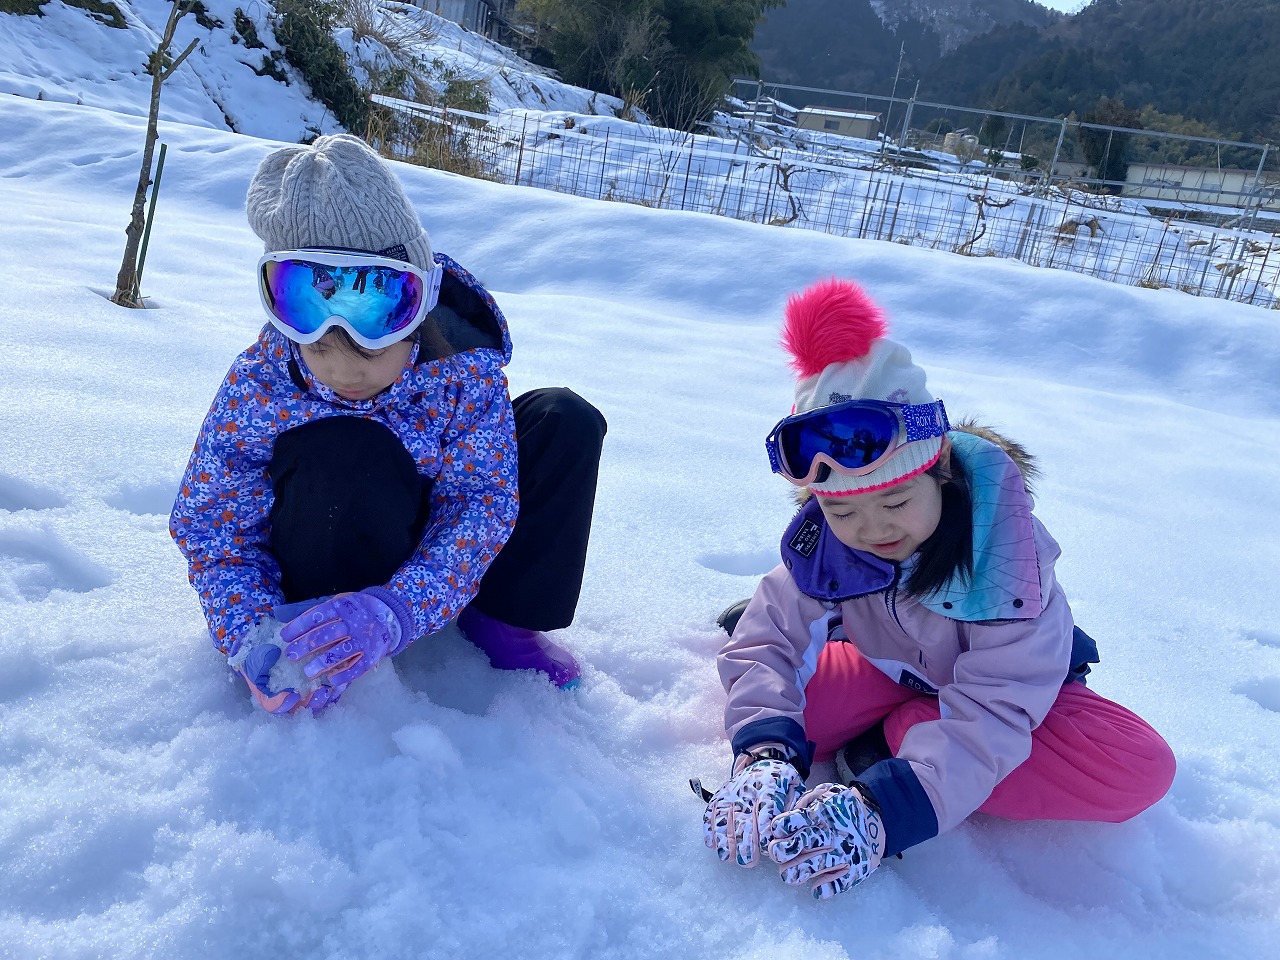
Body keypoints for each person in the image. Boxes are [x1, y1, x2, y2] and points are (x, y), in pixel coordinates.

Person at [703, 278, 1174, 900]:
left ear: (939, 471)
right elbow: (764, 644)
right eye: (842, 512)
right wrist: (763, 753)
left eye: (895, 502)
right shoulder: (827, 544)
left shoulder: (1005, 557)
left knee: (1138, 770)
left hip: (1014, 688)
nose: (872, 530)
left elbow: (997, 711)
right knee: (787, 710)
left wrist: (889, 807)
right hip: (891, 667)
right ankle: (866, 681)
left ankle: (894, 745)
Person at [170, 134, 606, 714]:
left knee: (563, 418)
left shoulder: (461, 373)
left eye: (372, 348)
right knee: (348, 441)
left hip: (424, 558)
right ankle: (319, 634)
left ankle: (501, 618)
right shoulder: (262, 384)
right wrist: (250, 630)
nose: (344, 373)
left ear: (417, 313)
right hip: (317, 559)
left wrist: (399, 607)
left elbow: (479, 500)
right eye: (318, 350)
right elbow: (213, 526)